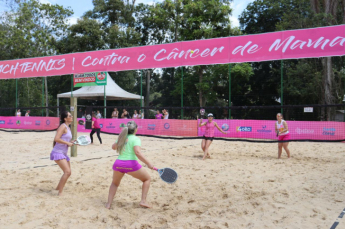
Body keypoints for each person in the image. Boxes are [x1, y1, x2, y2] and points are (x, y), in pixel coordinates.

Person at [105, 121, 154, 209]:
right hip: (131, 164)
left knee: (115, 183)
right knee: (147, 179)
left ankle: (108, 204)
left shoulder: (122, 138)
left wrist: (119, 140)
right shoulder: (135, 139)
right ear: (136, 129)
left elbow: (113, 147)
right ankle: (143, 201)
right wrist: (149, 163)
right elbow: (138, 152)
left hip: (118, 164)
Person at [50, 111, 76, 196]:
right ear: (65, 118)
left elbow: (64, 139)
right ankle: (60, 192)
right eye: (70, 116)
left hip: (63, 153)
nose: (71, 117)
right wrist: (68, 143)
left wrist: (72, 142)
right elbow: (56, 139)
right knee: (67, 172)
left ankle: (57, 188)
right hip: (58, 152)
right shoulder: (62, 126)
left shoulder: (68, 127)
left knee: (68, 172)